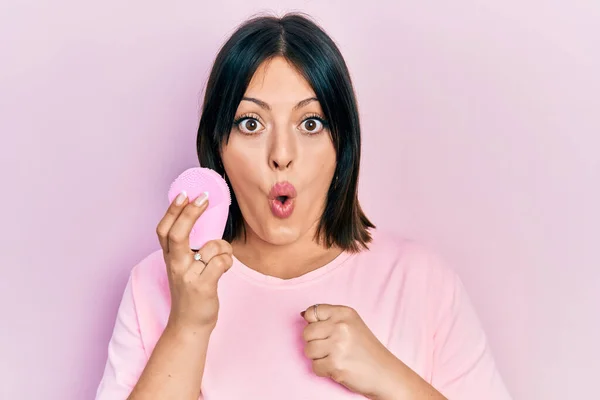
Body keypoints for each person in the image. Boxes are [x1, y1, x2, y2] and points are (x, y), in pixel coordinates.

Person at [95, 13, 512, 400]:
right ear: (218, 146)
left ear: (341, 145)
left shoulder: (422, 282)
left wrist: (390, 377)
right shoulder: (153, 284)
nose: (281, 154)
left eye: (310, 123)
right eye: (251, 123)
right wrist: (187, 326)